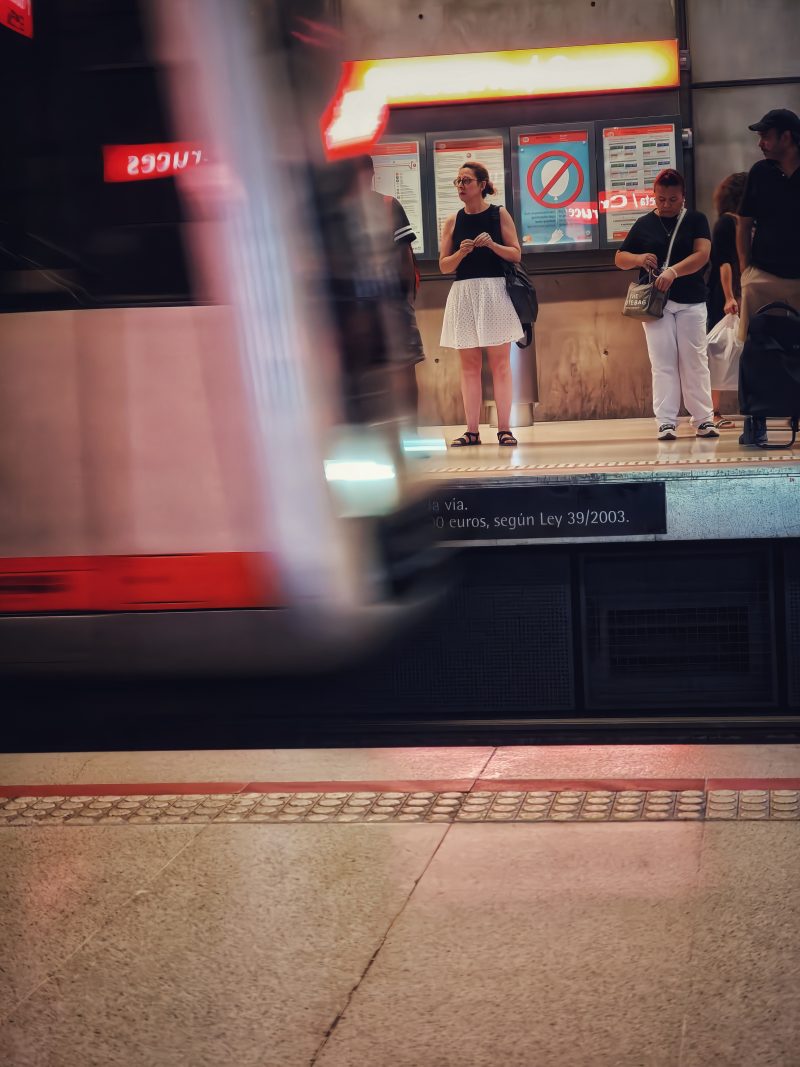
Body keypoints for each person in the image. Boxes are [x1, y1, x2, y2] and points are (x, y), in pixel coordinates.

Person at [615, 167, 718, 440]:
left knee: (694, 360)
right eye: (661, 199)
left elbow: (702, 254)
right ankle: (665, 421)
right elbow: (620, 257)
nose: (666, 204)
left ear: (683, 196)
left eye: (672, 199)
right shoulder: (644, 223)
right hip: (655, 304)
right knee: (662, 362)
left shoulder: (696, 219)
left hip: (691, 299)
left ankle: (704, 419)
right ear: (654, 196)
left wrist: (673, 271)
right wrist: (638, 259)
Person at [439, 161, 524, 447]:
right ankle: (472, 430)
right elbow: (444, 266)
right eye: (458, 182)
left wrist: (492, 246)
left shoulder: (498, 214)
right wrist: (461, 254)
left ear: (482, 184)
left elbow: (515, 254)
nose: (461, 186)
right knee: (469, 367)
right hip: (464, 293)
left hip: (494, 291)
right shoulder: (452, 221)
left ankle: (504, 428)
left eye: (466, 181)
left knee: (500, 364)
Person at [736, 108, 800, 446]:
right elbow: (743, 223)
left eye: (766, 136)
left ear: (786, 138)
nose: (761, 143)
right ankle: (755, 419)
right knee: (753, 347)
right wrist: (746, 270)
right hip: (764, 274)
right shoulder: (760, 173)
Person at [707, 171, 747, 428]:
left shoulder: (740, 223)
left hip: (738, 292)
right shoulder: (726, 224)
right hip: (724, 294)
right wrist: (730, 297)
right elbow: (723, 263)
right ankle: (713, 411)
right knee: (717, 350)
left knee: (729, 350)